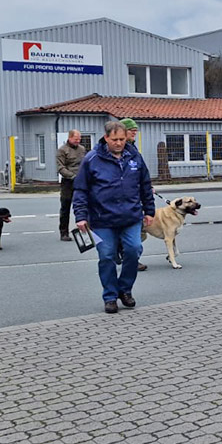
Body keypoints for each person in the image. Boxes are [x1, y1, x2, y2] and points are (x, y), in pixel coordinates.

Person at [74, 120, 155, 314]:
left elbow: (145, 184)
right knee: (107, 256)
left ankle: (125, 290)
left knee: (134, 250)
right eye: (114, 139)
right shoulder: (92, 159)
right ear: (106, 138)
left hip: (131, 216)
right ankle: (110, 296)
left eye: (122, 139)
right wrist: (80, 215)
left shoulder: (135, 156)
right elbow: (80, 189)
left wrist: (149, 210)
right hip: (102, 219)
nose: (119, 143)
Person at [115, 118, 148, 271]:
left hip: (134, 198)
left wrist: (146, 188)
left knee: (137, 232)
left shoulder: (133, 150)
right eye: (131, 130)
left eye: (136, 130)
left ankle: (126, 255)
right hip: (120, 200)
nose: (135, 132)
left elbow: (141, 174)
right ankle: (127, 257)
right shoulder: (117, 151)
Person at [56, 129, 87, 241]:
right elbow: (60, 168)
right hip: (68, 182)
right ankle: (64, 232)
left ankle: (85, 230)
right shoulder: (62, 150)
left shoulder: (82, 149)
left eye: (79, 139)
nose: (78, 141)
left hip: (82, 181)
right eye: (76, 139)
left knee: (84, 206)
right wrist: (73, 176)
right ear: (70, 138)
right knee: (65, 208)